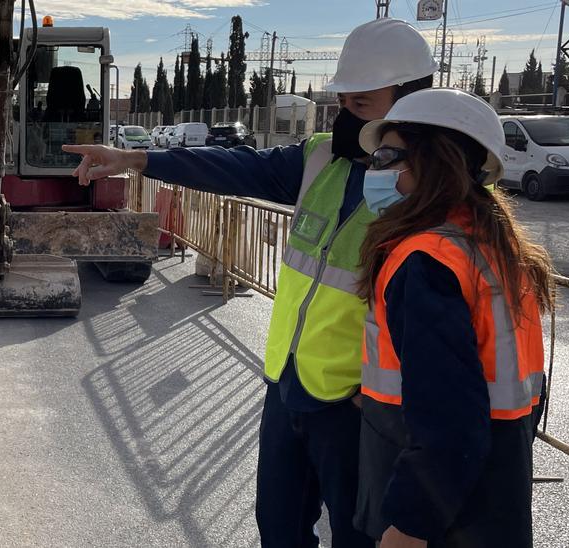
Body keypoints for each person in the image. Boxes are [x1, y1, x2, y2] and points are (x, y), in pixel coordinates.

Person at [63, 18, 437, 547]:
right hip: (287, 384)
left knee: (356, 537)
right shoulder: (321, 158)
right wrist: (137, 158)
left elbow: (441, 325)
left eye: (362, 105)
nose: (346, 117)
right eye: (342, 102)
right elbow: (232, 166)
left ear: (410, 103)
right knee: (279, 528)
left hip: (356, 406)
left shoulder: (424, 191)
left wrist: (384, 402)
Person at [353, 88, 551, 547]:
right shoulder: (492, 245)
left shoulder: (426, 259)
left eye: (387, 155)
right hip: (493, 492)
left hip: (442, 514)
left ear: (434, 161)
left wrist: (409, 526)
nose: (373, 169)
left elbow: (450, 421)